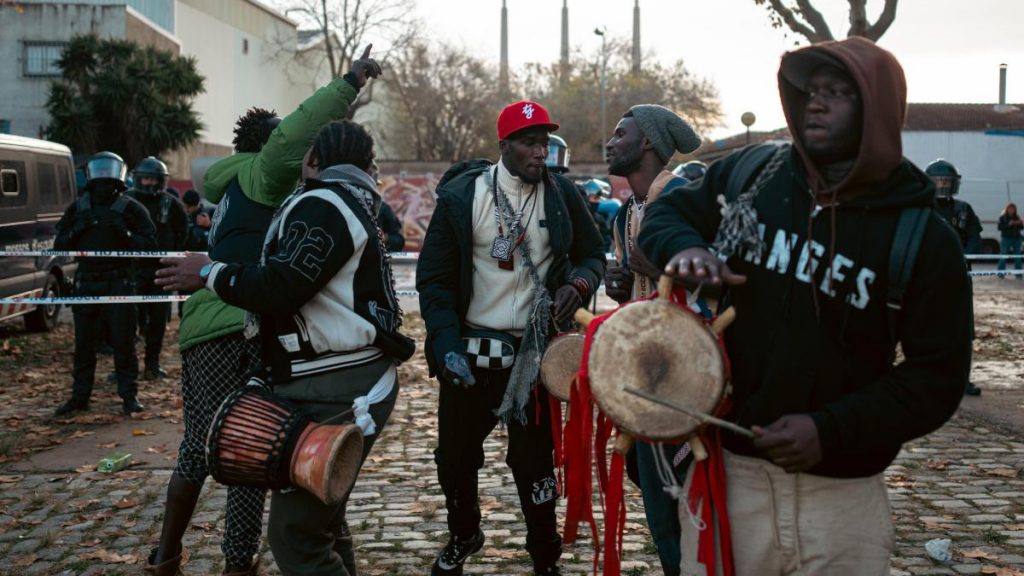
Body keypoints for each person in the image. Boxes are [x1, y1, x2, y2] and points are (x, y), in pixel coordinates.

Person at [637, 37, 971, 575]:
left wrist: (831, 429)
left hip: (843, 498)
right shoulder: (752, 175)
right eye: (811, 90)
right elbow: (664, 215)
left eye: (838, 92)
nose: (816, 102)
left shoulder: (921, 237)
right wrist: (686, 247)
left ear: (877, 109)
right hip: (731, 475)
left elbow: (938, 377)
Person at [142, 46, 382, 576]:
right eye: (280, 138)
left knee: (215, 445)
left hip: (214, 326)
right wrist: (349, 83)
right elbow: (295, 132)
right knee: (248, 448)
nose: (297, 148)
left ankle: (168, 557)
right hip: (233, 323)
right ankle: (234, 565)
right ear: (267, 144)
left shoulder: (231, 189)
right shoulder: (263, 172)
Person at [417, 100, 606, 576]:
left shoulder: (562, 194)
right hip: (469, 352)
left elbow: (592, 255)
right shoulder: (463, 198)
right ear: (504, 145)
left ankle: (545, 555)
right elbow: (434, 281)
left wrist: (578, 285)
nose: (539, 152)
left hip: (534, 355)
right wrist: (444, 348)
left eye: (544, 143)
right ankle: (464, 532)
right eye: (528, 142)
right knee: (454, 459)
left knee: (535, 464)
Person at [602, 104, 701, 576]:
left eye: (621, 133)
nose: (609, 141)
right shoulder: (624, 216)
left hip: (694, 376)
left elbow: (726, 280)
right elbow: (634, 287)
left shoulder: (686, 198)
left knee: (697, 503)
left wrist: (661, 268)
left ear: (646, 143)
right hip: (645, 376)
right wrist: (618, 283)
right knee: (661, 510)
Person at [53, 151, 156, 416]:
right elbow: (59, 244)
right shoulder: (79, 207)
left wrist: (126, 234)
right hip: (87, 282)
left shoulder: (130, 208)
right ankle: (80, 397)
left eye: (108, 179)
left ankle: (128, 397)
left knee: (123, 343)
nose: (104, 184)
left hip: (119, 282)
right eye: (99, 179)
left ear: (118, 179)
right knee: (84, 344)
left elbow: (151, 246)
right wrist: (78, 230)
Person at [127, 156, 189, 380]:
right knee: (128, 321)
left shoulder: (170, 203)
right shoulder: (127, 201)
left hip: (162, 271)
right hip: (133, 270)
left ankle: (152, 365)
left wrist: (172, 255)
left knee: (158, 320)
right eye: (144, 179)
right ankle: (125, 368)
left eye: (153, 180)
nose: (149, 184)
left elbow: (183, 231)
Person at [926, 158, 983, 396]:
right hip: (927, 278)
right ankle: (926, 378)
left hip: (958, 277)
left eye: (947, 180)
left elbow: (974, 238)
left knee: (962, 330)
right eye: (938, 180)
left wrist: (962, 258)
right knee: (925, 328)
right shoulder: (920, 207)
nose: (942, 184)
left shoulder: (963, 209)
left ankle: (962, 379)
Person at [997, 202, 1023, 277]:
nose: (1012, 210)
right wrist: (1009, 224)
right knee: (1003, 256)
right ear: (1007, 209)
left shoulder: (1017, 217)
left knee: (1017, 257)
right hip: (1006, 238)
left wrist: (1020, 223)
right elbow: (999, 227)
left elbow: (1021, 228)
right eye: (1010, 209)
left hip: (1017, 239)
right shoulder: (1002, 217)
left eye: (1013, 209)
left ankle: (1019, 275)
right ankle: (1000, 274)